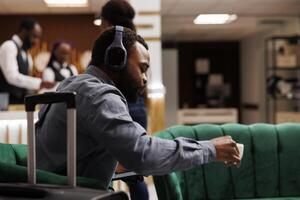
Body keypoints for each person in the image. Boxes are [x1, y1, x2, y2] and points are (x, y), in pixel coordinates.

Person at [36, 27, 241, 190]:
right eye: (142, 68)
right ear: (116, 60)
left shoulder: (71, 83)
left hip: (55, 190)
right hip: (75, 193)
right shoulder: (100, 95)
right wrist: (211, 149)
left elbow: (73, 155)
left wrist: (116, 164)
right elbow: (143, 154)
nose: (144, 79)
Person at [98, 1, 148, 198]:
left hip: (117, 107)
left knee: (104, 168)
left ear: (107, 20)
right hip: (139, 108)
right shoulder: (137, 42)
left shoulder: (110, 46)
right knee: (135, 172)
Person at [0, 18, 55, 104]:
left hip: (20, 102)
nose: (36, 42)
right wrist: (40, 83)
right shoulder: (9, 46)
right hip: (4, 102)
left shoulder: (27, 54)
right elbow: (12, 77)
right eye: (34, 37)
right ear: (24, 31)